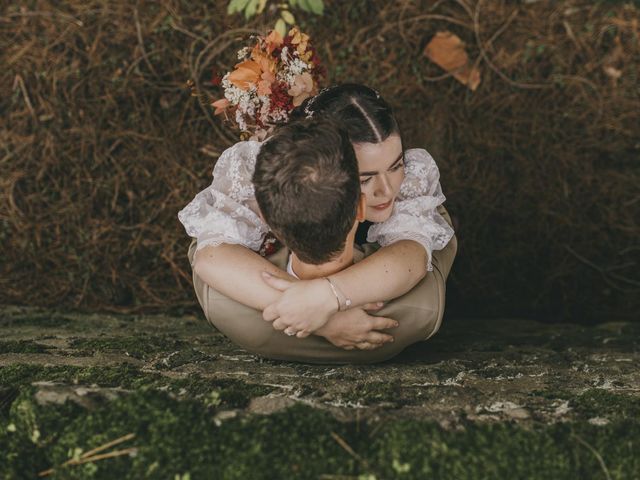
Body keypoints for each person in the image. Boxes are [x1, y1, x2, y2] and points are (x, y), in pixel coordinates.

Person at [179, 84, 457, 362]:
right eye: (365, 178)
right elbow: (212, 256)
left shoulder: (413, 182)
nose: (386, 190)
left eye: (396, 166)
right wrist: (325, 321)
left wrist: (325, 297)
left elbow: (412, 256)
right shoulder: (275, 172)